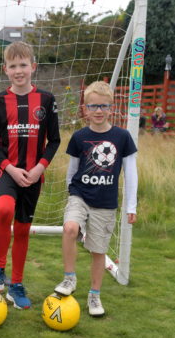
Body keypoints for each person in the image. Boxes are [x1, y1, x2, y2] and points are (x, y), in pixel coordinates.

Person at [0, 41, 61, 310]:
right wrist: (10, 168)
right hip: (8, 171)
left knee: (23, 229)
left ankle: (16, 285)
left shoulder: (46, 100)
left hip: (34, 176)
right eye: (13, 66)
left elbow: (55, 141)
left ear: (33, 67)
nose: (18, 70)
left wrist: (39, 168)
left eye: (23, 64)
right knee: (4, 210)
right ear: (6, 70)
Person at [53, 81, 137, 317]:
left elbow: (131, 173)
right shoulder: (80, 137)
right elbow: (72, 171)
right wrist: (72, 192)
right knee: (70, 228)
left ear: (111, 107)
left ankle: (94, 296)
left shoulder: (122, 137)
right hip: (80, 195)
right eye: (93, 106)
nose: (98, 111)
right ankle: (69, 279)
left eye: (103, 106)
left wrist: (132, 205)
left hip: (105, 203)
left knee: (98, 251)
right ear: (85, 109)